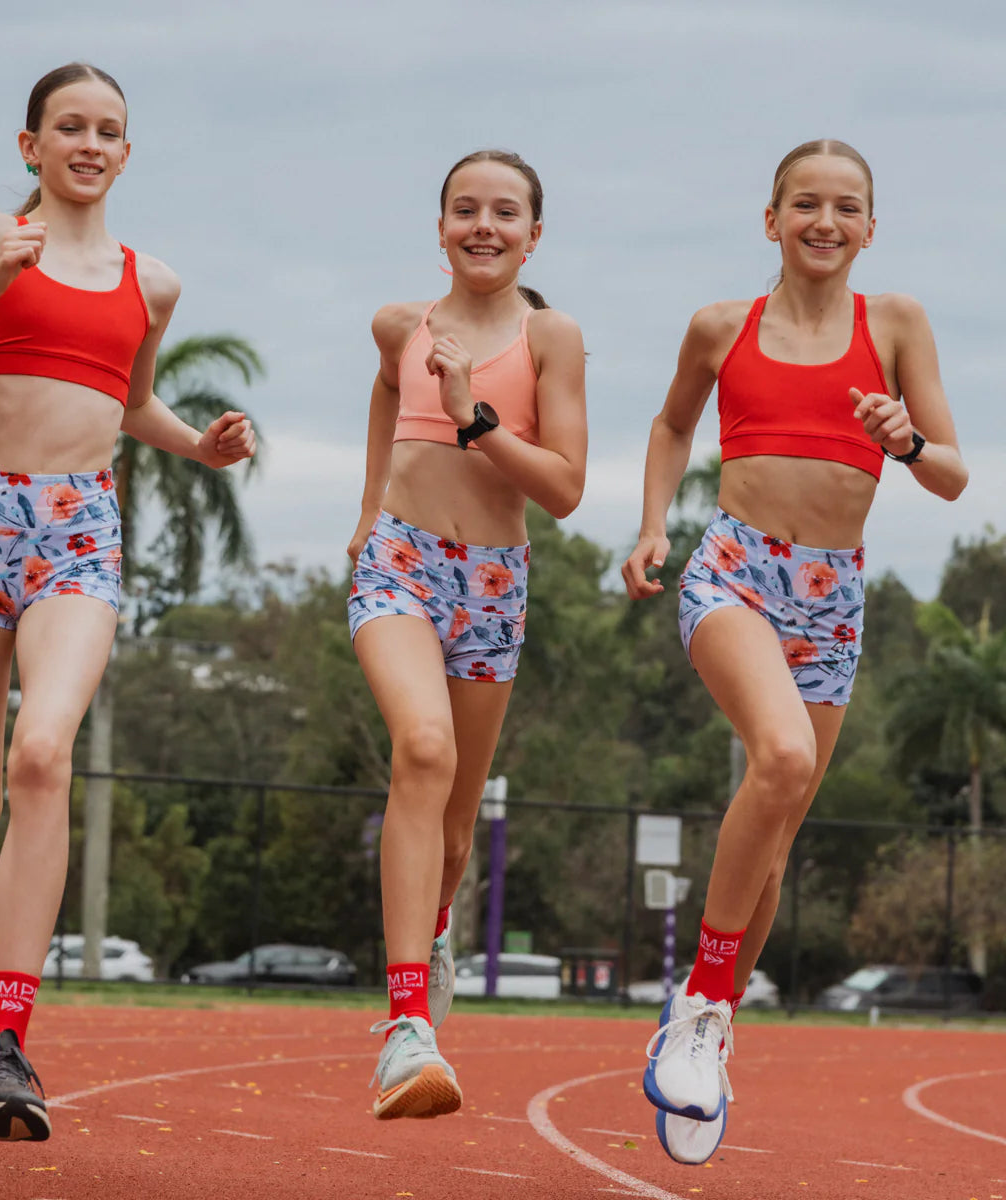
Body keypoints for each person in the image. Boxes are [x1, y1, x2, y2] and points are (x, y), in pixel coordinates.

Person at [0, 62, 255, 1142]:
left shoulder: (154, 282)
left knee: (45, 753)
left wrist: (200, 442)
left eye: (109, 131)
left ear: (128, 154)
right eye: (69, 127)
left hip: (81, 530)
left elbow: (129, 405)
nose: (89, 143)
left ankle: (5, 1047)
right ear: (30, 144)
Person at [621, 139, 966, 1165]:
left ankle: (712, 1033)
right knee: (781, 758)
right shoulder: (722, 326)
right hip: (735, 569)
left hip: (833, 593)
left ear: (870, 226)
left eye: (845, 207)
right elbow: (671, 424)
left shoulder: (895, 325)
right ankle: (700, 1005)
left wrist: (904, 437)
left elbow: (949, 475)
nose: (825, 221)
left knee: (774, 838)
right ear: (769, 220)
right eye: (804, 204)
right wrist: (651, 525)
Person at [347, 149, 587, 1120]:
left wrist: (472, 416)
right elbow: (382, 389)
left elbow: (565, 490)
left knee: (456, 827)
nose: (482, 226)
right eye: (464, 210)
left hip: (494, 580)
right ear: (439, 226)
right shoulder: (402, 325)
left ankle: (436, 925)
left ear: (535, 234)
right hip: (400, 563)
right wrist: (370, 506)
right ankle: (408, 1027)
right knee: (424, 749)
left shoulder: (552, 336)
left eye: (504, 212)